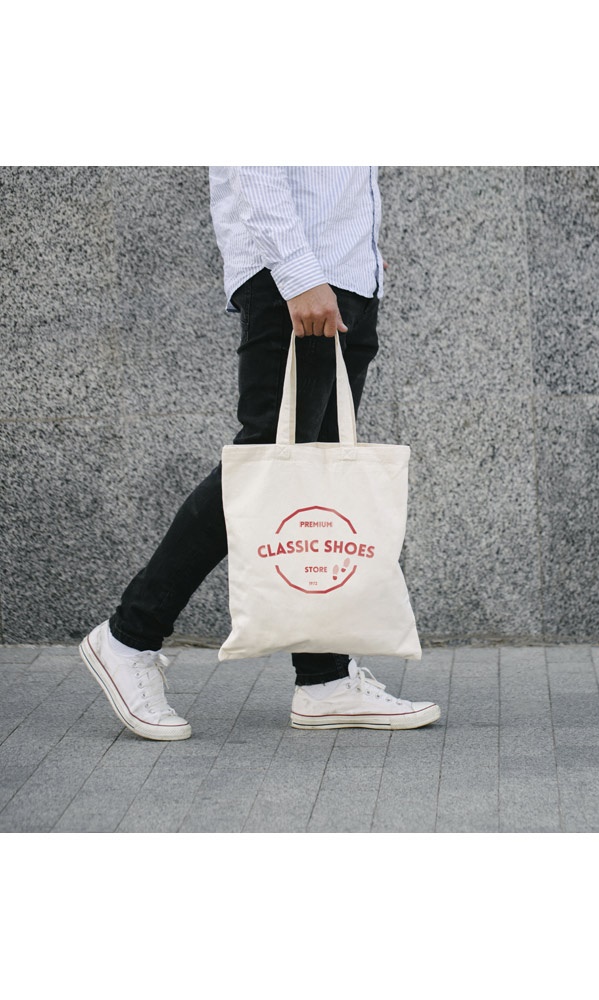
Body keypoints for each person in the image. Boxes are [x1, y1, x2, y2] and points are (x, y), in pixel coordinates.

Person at [79, 166, 439, 741]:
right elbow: (254, 164)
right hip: (297, 281)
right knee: (262, 470)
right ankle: (128, 638)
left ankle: (324, 681)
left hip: (344, 277)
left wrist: (360, 253)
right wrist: (299, 272)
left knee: (313, 479)